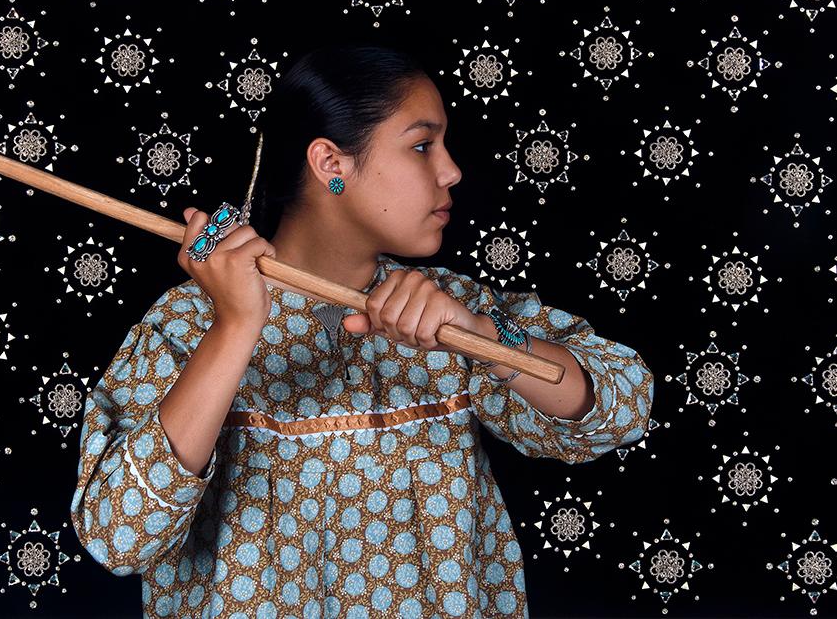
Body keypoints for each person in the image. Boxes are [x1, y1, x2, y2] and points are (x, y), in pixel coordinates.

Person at [70, 42, 655, 617]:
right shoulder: (183, 325)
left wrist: (485, 334)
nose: (452, 171)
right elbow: (117, 538)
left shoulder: (452, 308)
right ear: (331, 164)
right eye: (422, 145)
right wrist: (235, 326)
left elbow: (621, 413)